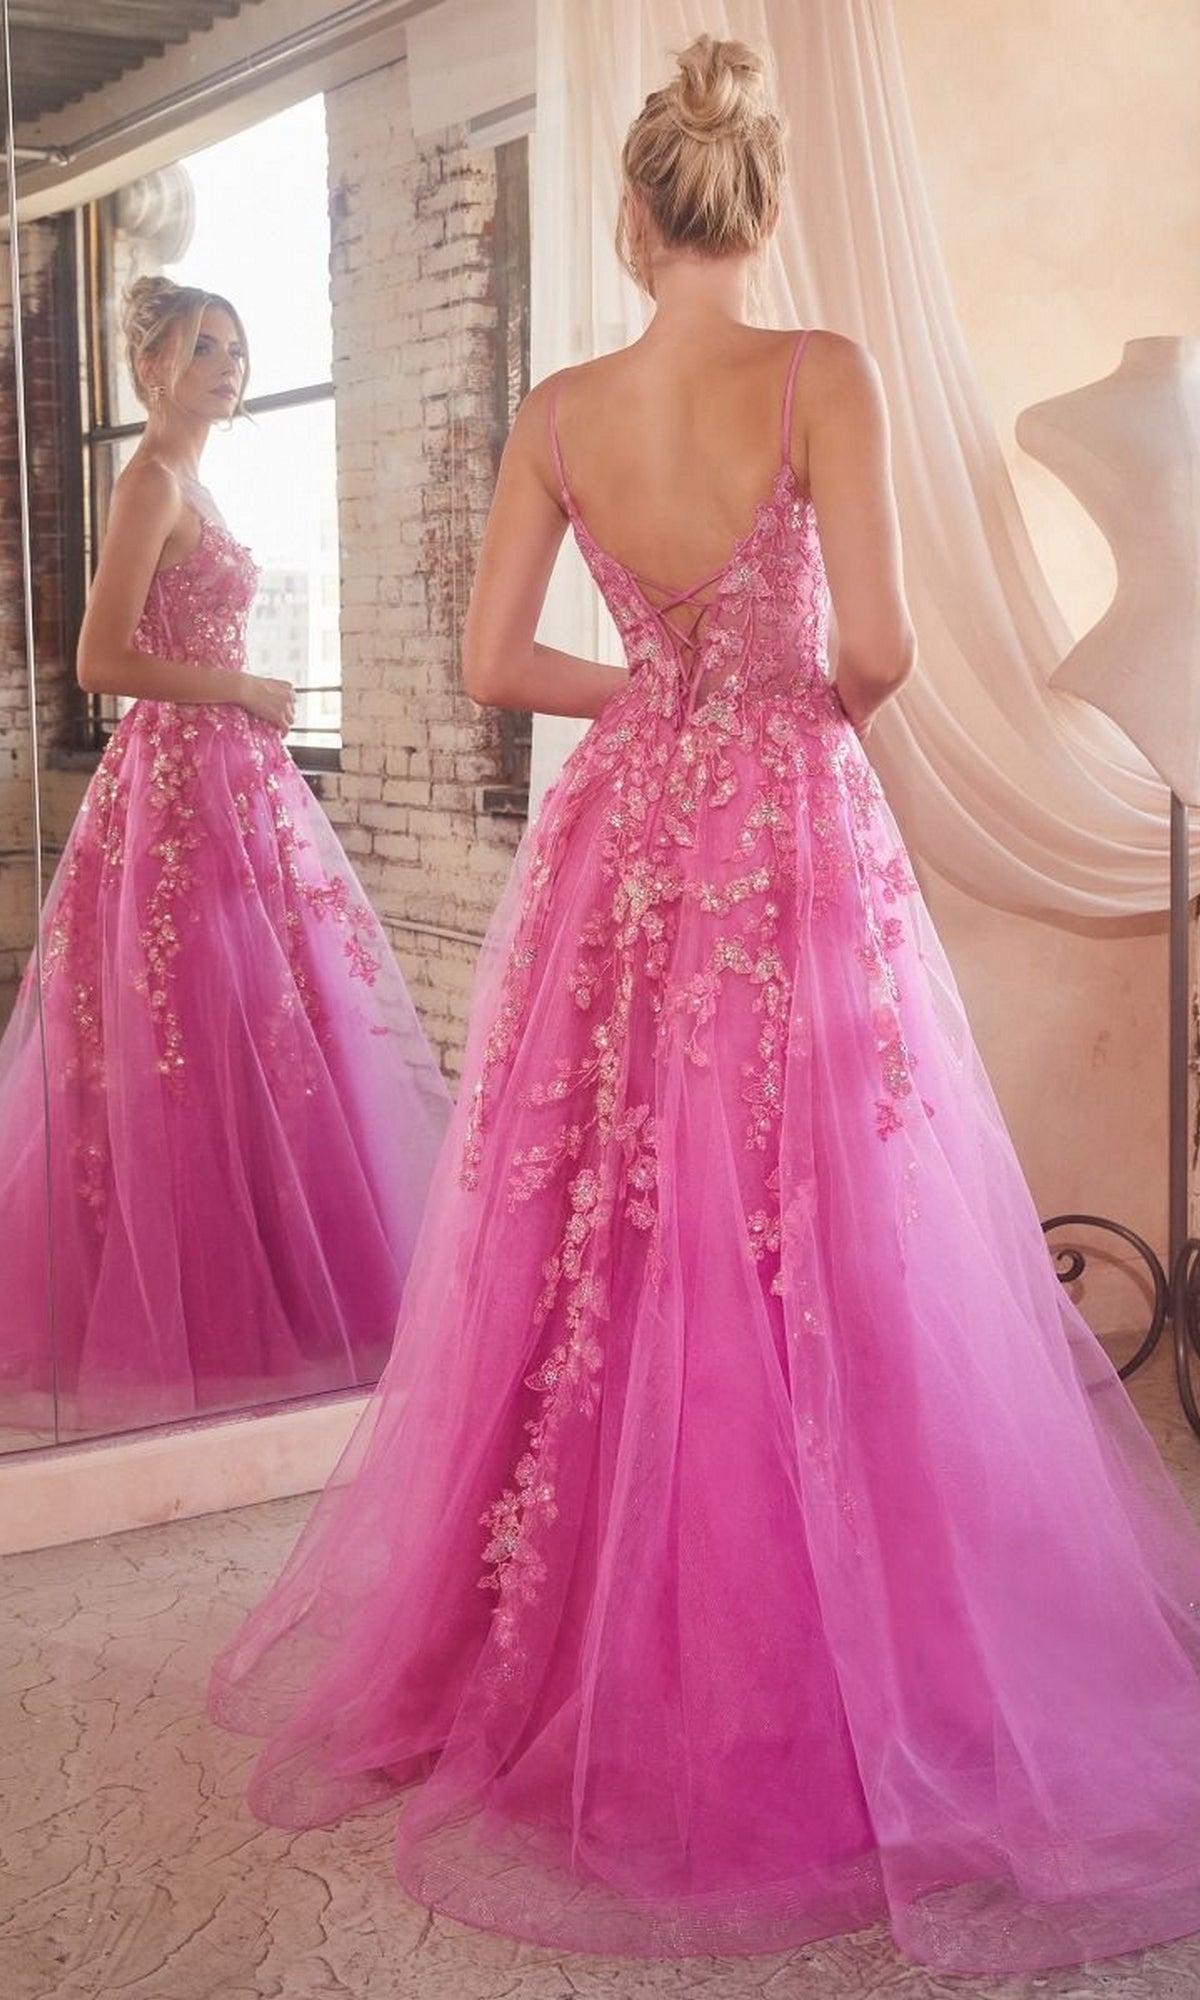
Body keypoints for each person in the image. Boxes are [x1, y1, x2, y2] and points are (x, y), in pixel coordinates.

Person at [210, 40, 1200, 1976]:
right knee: (832, 1197)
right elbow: (884, 649)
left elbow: (500, 661)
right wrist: (772, 701)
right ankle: (824, 1623)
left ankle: (585, 1624)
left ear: (633, 212)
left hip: (627, 835)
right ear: (752, 210)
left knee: (607, 1204)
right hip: (790, 827)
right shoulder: (824, 369)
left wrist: (654, 696)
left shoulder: (563, 404)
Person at [0, 276, 449, 1439]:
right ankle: (185, 1310)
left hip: (227, 781)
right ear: (152, 367)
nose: (229, 365)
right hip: (182, 782)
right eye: (206, 347)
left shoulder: (191, 479)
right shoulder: (148, 478)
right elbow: (100, 657)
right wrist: (243, 689)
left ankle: (270, 1286)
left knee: (253, 1022)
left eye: (239, 348)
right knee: (185, 1025)